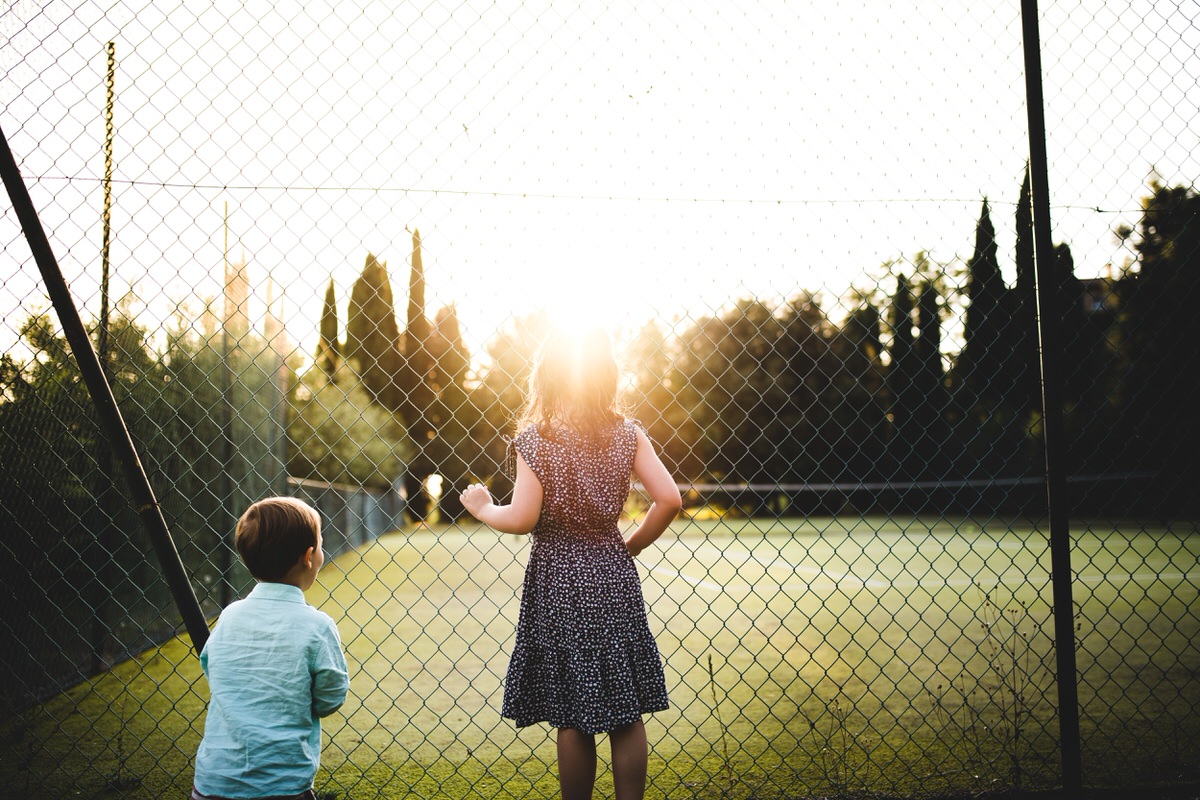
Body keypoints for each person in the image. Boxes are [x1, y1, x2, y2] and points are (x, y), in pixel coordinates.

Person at [460, 327, 682, 800]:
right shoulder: (628, 435)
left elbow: (521, 518)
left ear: (546, 380)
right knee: (626, 711)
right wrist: (633, 545)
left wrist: (482, 508)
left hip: (559, 581)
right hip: (612, 572)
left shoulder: (535, 442)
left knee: (572, 713)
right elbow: (668, 500)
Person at [192, 497, 350, 800]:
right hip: (282, 785)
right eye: (321, 543)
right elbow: (330, 697)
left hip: (213, 783)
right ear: (309, 556)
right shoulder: (317, 626)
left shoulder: (228, 617)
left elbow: (215, 669)